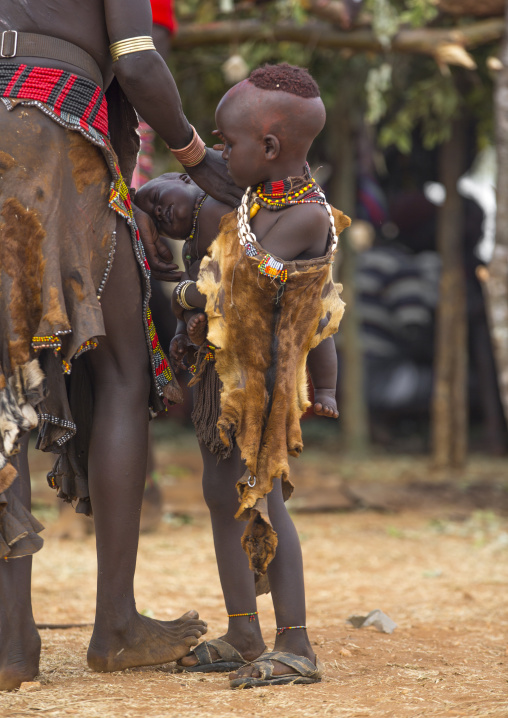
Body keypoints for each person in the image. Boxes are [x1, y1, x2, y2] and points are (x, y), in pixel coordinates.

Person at [0, 0, 241, 691]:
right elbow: (136, 62)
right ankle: (114, 626)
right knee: (124, 373)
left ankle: (11, 643)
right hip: (45, 133)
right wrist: (196, 156)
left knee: (5, 379)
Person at [155, 64, 350, 688]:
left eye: (225, 143)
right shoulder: (257, 199)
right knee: (222, 496)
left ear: (268, 147)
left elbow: (230, 290)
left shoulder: (307, 216)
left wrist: (174, 291)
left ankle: (296, 645)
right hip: (224, 378)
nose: (216, 153)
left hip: (262, 387)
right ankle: (244, 631)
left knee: (262, 501)